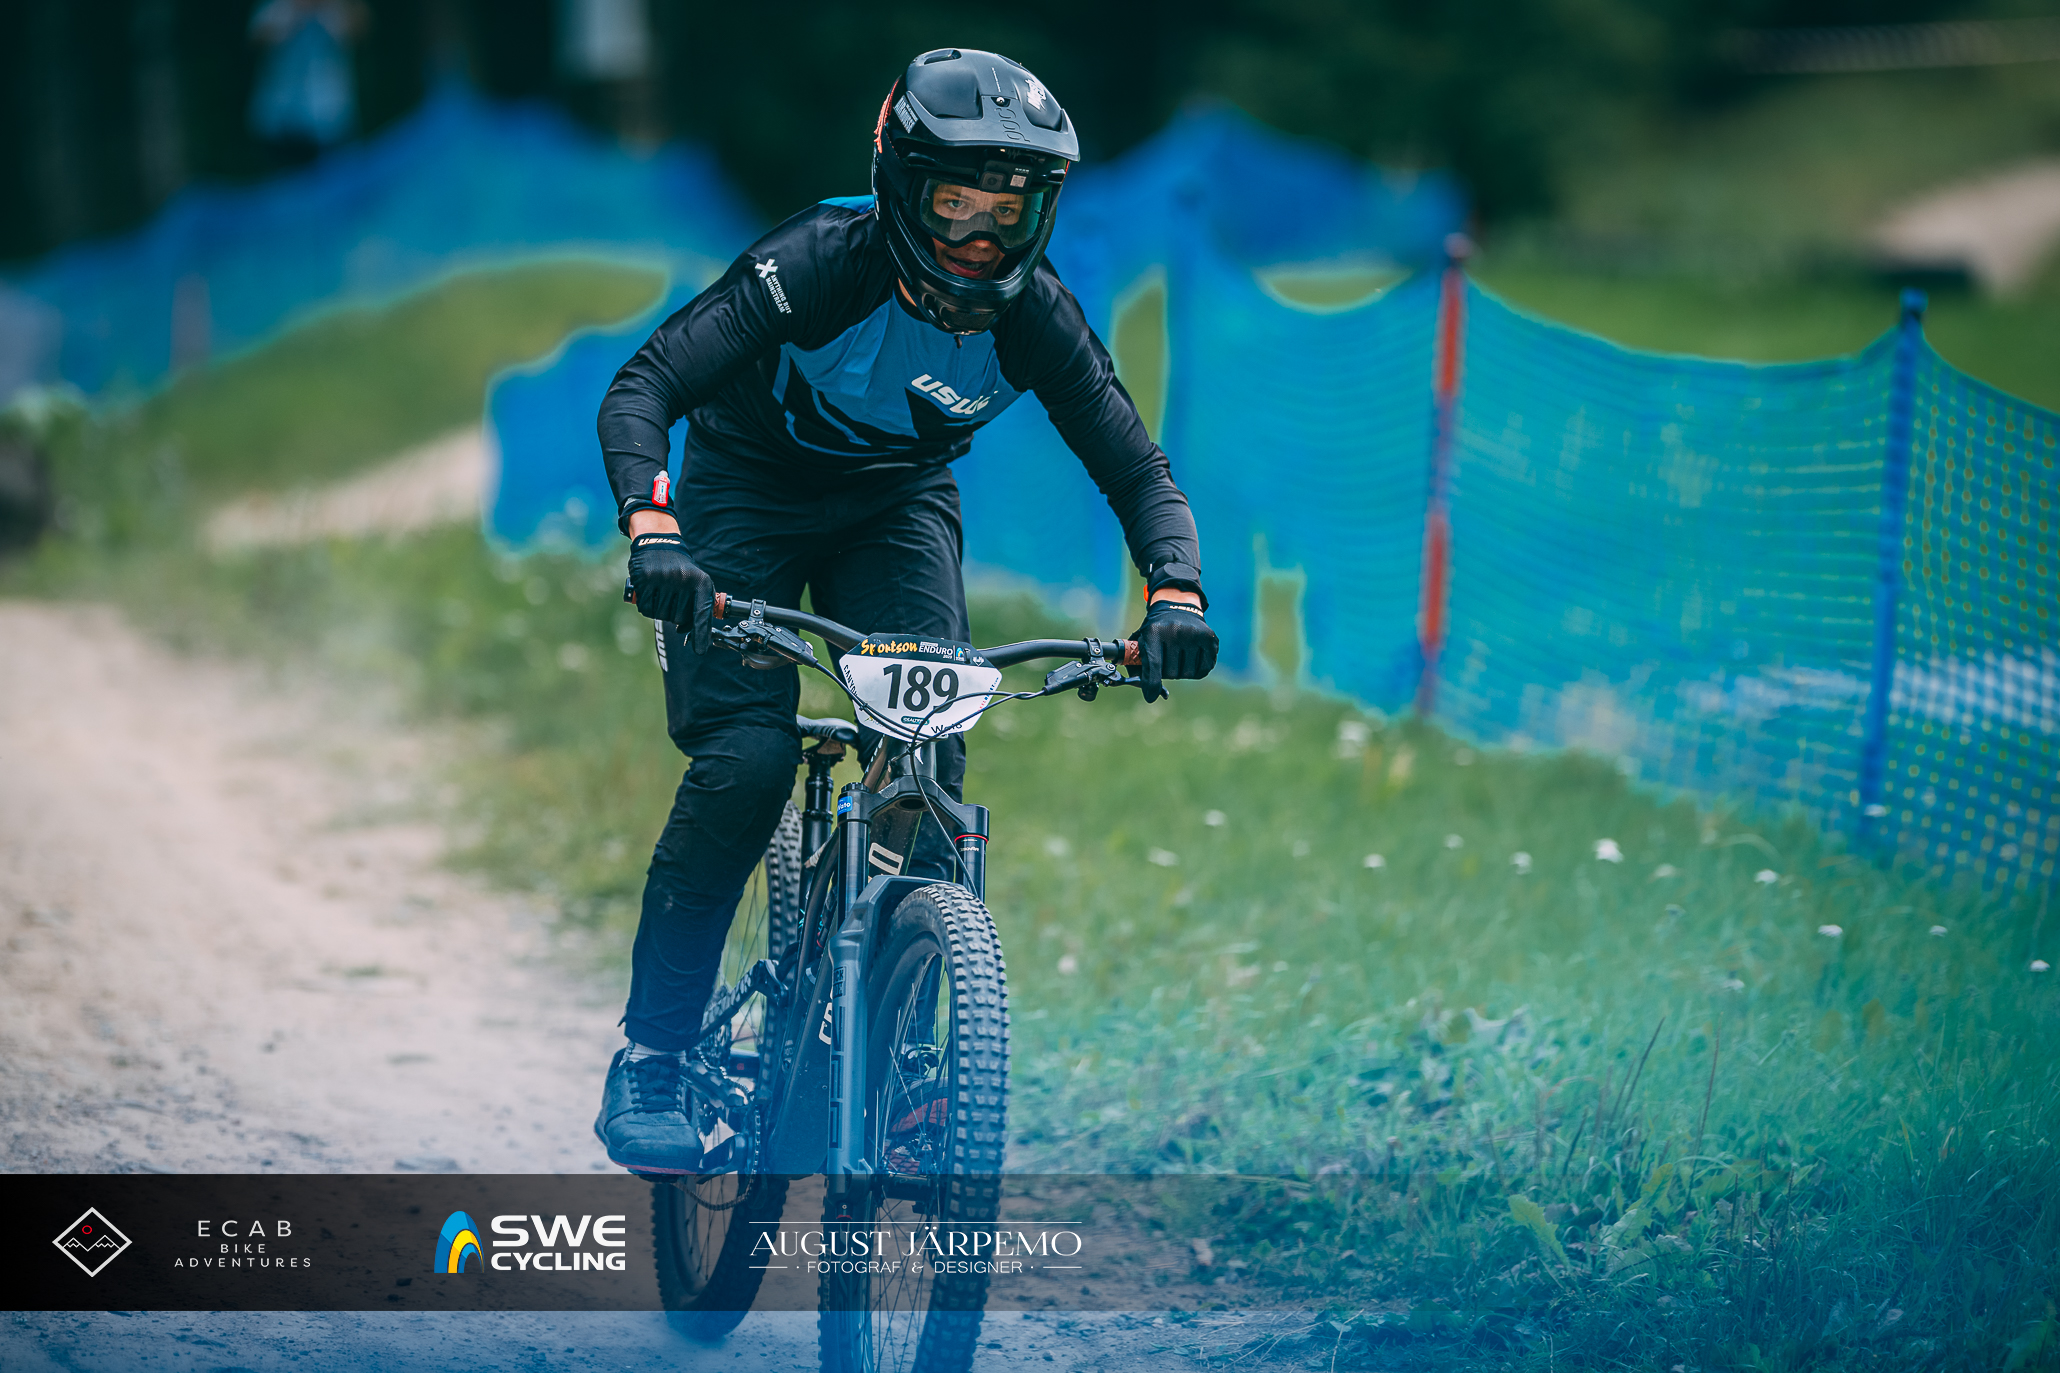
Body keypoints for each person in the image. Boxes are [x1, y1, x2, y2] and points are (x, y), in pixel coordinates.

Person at [593, 48, 1219, 1174]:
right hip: (748, 489)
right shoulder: (817, 264)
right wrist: (654, 530)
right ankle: (654, 1055)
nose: (980, 236)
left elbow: (1137, 469)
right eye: (956, 203)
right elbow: (644, 386)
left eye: (1009, 209)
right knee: (745, 760)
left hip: (894, 504)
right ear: (900, 182)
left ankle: (907, 1060)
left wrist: (1173, 589)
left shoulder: (1034, 314)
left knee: (928, 763)